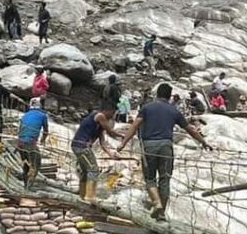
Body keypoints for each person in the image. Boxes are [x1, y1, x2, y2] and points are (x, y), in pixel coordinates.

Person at [117, 82, 211, 219]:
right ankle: (161, 214)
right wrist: (203, 142)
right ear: (169, 96)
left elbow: (135, 125)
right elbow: (190, 129)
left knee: (150, 178)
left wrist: (123, 143)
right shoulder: (174, 111)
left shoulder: (147, 108)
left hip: (149, 146)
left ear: (157, 94)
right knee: (165, 179)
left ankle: (157, 204)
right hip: (166, 147)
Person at [71, 106, 122, 200]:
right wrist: (124, 136)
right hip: (82, 146)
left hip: (79, 146)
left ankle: (82, 194)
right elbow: (110, 132)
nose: (113, 116)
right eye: (113, 113)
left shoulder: (100, 128)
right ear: (108, 111)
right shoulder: (99, 116)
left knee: (85, 170)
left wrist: (111, 155)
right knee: (93, 170)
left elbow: (103, 144)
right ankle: (90, 196)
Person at [16, 98, 49, 188]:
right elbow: (46, 131)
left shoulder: (25, 115)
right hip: (30, 143)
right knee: (36, 164)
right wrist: (42, 140)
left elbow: (20, 130)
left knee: (26, 164)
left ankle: (25, 184)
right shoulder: (43, 116)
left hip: (20, 143)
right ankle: (29, 187)